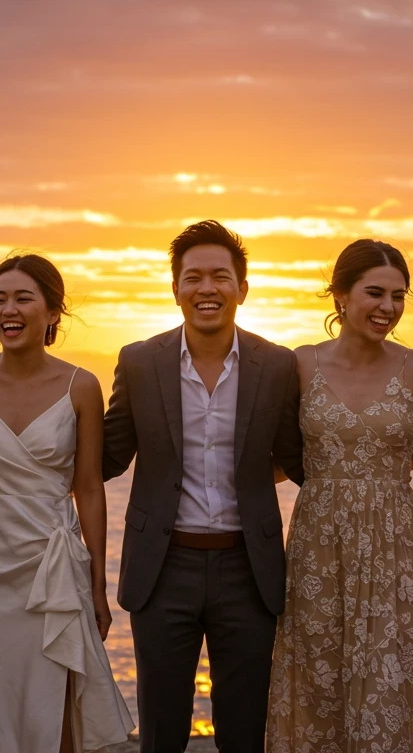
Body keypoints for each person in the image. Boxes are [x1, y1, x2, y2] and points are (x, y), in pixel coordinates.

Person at [103, 220, 303, 753]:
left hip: (249, 568)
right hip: (163, 566)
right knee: (161, 729)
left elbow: (299, 458)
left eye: (221, 277)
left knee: (243, 732)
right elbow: (108, 456)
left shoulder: (279, 365)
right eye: (193, 277)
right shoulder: (140, 361)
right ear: (175, 289)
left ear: (243, 288)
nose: (207, 289)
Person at [267, 239, 413, 753]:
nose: (388, 308)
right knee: (317, 677)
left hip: (393, 543)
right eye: (375, 293)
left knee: (387, 681)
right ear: (340, 295)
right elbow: (280, 460)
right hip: (317, 544)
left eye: (399, 296)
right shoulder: (300, 364)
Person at [0, 254, 134, 752]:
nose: (8, 308)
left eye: (23, 297)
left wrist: (97, 586)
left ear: (53, 313)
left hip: (49, 568)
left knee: (54, 699)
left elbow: (88, 487)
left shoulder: (81, 386)